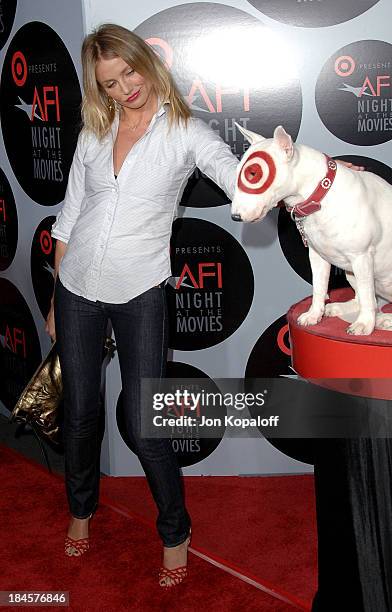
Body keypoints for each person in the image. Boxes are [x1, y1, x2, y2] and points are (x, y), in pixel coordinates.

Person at [45, 23, 238, 588]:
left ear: (146, 63)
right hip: (76, 286)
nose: (125, 88)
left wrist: (274, 178)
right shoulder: (93, 133)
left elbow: (229, 171)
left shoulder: (186, 132)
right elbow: (68, 216)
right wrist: (56, 296)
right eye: (109, 83)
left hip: (141, 293)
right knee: (80, 413)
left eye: (129, 72)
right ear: (98, 89)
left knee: (145, 420)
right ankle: (81, 510)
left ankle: (175, 532)